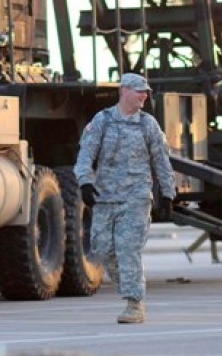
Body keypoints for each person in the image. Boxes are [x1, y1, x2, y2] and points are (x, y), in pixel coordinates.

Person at [75, 72, 176, 324]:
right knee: (101, 247)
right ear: (124, 91)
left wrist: (167, 193)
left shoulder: (148, 124)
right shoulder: (103, 120)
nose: (144, 96)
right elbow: (86, 153)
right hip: (105, 196)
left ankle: (134, 303)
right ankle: (130, 289)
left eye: (146, 92)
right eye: (139, 91)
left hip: (136, 197)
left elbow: (161, 160)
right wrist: (85, 181)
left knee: (128, 249)